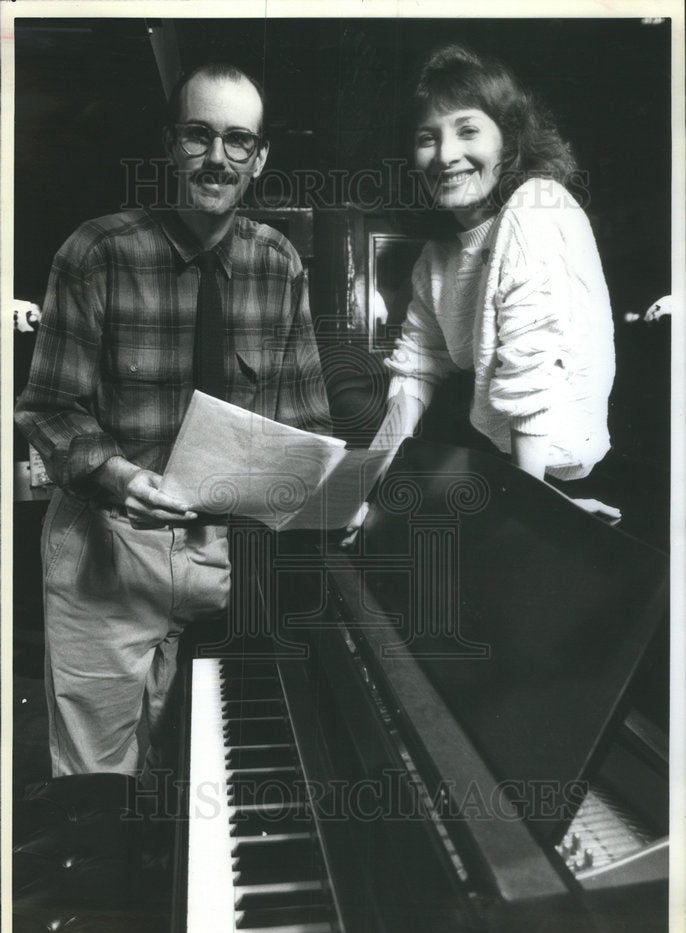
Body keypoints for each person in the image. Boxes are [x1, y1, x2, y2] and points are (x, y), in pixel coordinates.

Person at [15, 61, 331, 778]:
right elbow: (48, 405)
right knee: (101, 782)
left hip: (219, 550)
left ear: (260, 158)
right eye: (199, 135)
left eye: (238, 142)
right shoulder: (97, 252)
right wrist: (115, 474)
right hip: (106, 547)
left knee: (198, 762)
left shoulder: (277, 263)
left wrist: (335, 489)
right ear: (170, 145)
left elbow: (304, 418)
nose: (218, 159)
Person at [378, 43, 619, 514]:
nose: (446, 155)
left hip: (569, 480)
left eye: (468, 129)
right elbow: (416, 366)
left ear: (507, 141)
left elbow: (531, 380)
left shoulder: (534, 208)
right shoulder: (437, 255)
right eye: (427, 137)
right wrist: (366, 479)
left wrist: (532, 513)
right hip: (514, 467)